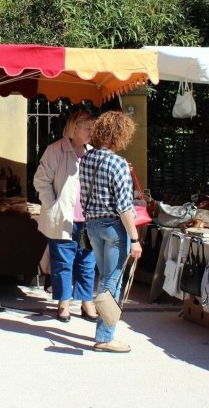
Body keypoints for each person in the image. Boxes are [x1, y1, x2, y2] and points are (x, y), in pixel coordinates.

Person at [79, 111, 143, 353]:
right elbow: (124, 207)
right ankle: (105, 337)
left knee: (106, 277)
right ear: (121, 135)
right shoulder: (117, 164)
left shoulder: (86, 159)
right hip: (114, 228)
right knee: (110, 282)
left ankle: (104, 331)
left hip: (93, 225)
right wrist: (135, 239)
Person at [33, 110, 97, 323]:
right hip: (62, 219)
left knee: (87, 262)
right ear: (75, 127)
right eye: (88, 128)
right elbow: (41, 180)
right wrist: (52, 205)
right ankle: (63, 303)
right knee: (62, 262)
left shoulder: (93, 153)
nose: (92, 132)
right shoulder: (55, 150)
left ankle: (87, 302)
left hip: (87, 221)